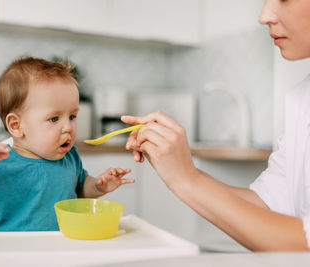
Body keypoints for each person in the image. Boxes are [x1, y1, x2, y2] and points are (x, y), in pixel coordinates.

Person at [121, 0, 310, 251]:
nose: (264, 16)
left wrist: (187, 180)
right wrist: (181, 169)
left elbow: (303, 244)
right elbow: (267, 205)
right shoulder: (302, 98)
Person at [0, 57, 134, 231]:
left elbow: (80, 190)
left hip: (59, 250)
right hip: (10, 254)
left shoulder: (69, 157)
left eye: (72, 116)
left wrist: (98, 186)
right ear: (16, 125)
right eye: (54, 119)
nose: (68, 127)